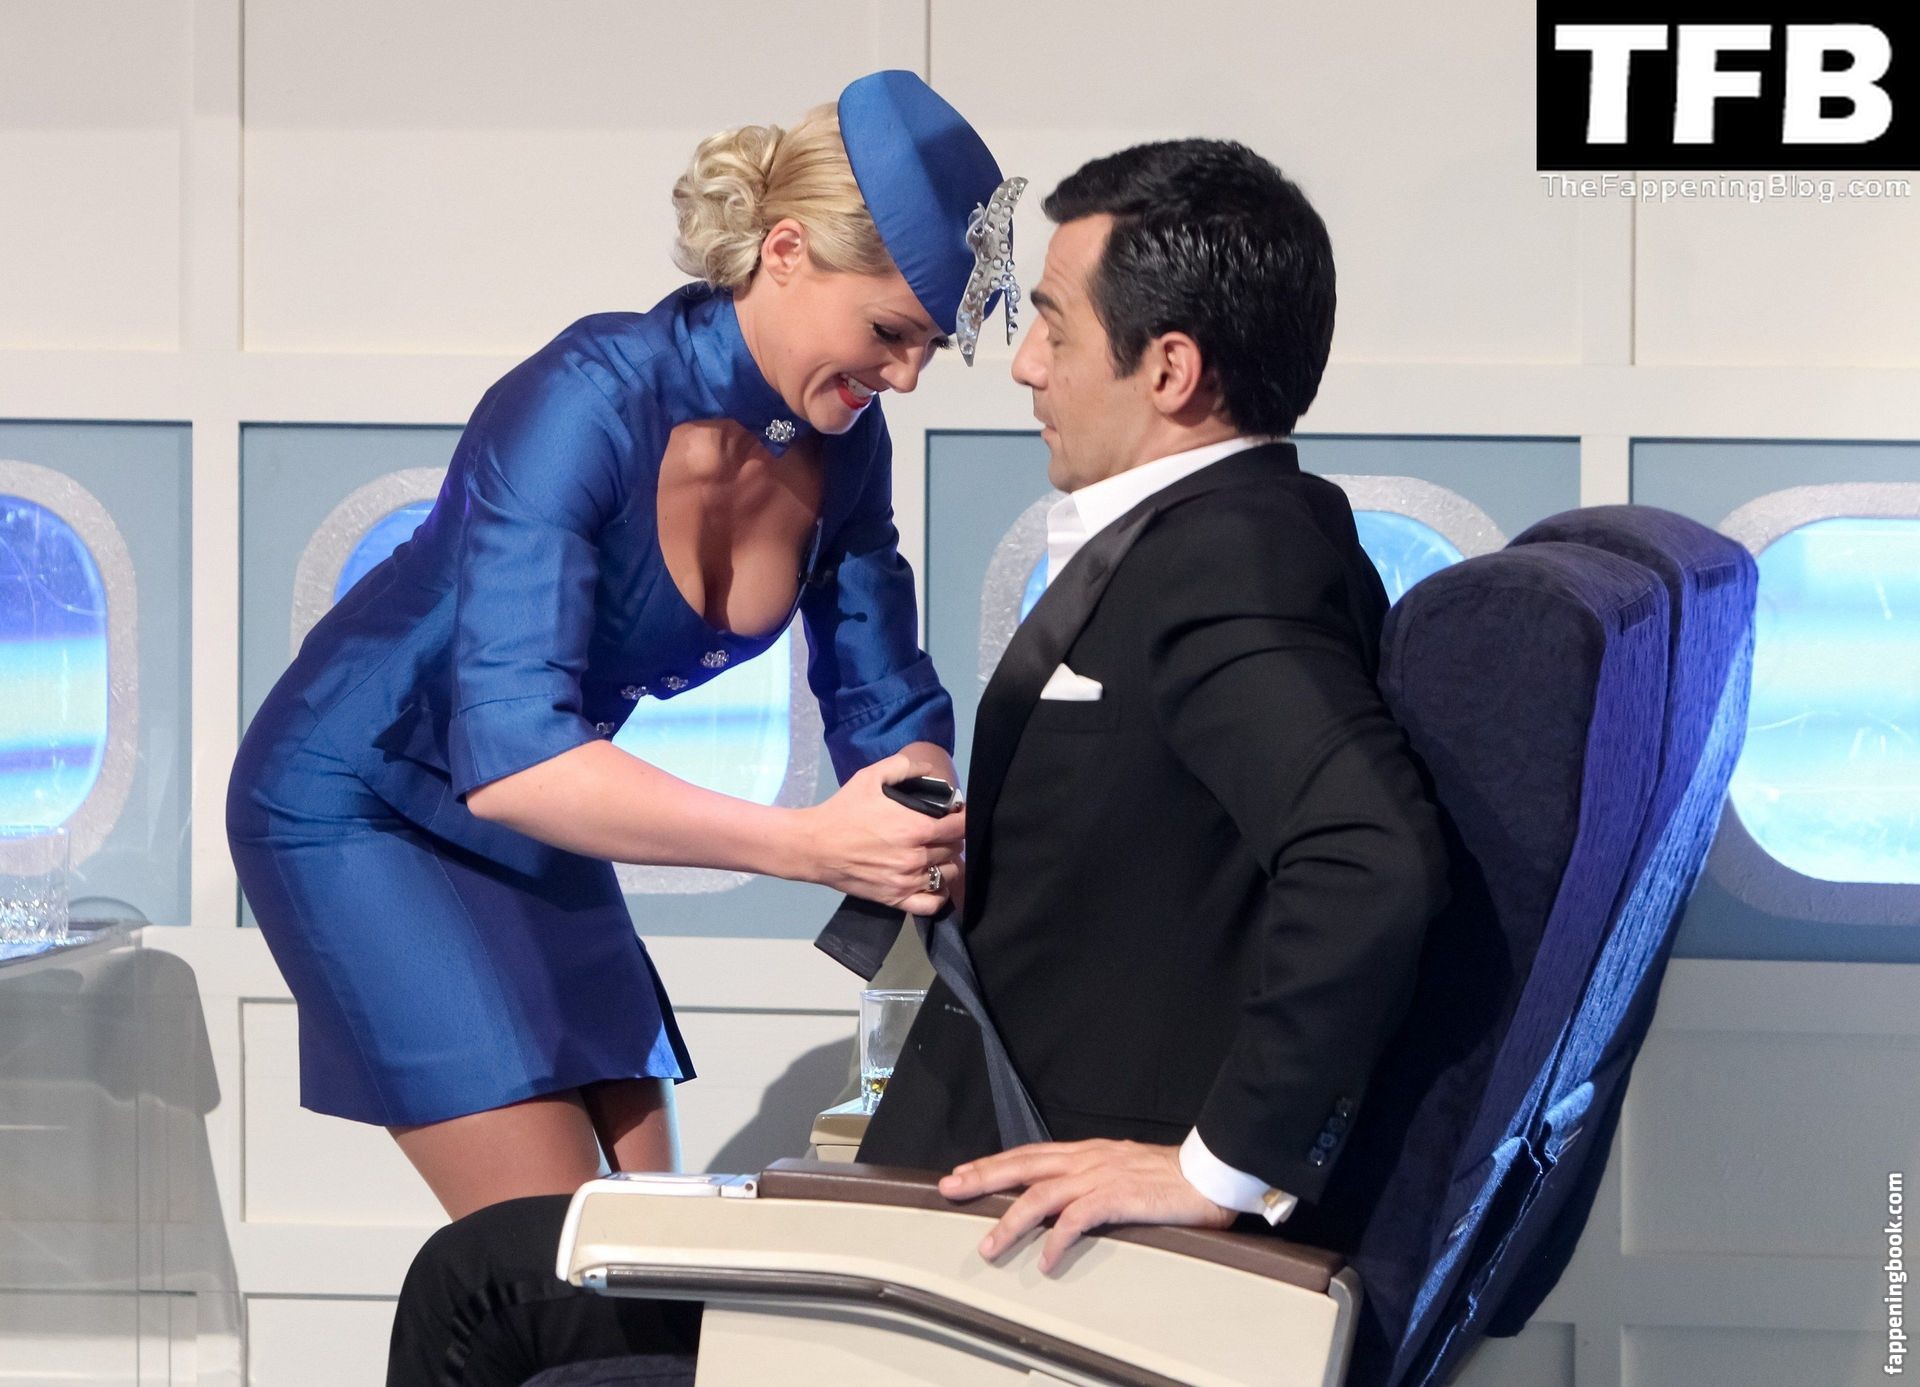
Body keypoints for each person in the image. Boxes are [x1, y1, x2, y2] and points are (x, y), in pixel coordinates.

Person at [383, 137, 1450, 1384]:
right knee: (506, 1269)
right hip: (947, 1205)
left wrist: (1220, 1167)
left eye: (1053, 326)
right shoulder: (1219, 540)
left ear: (1168, 370)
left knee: (476, 1290)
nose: (1024, 363)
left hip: (1004, 1262)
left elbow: (1371, 856)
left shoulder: (1230, 563)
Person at [225, 70, 1022, 1223]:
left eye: (929, 348)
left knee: (653, 1238)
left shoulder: (846, 441)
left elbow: (882, 697)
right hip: (362, 798)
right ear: (786, 252)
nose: (902, 376)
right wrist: (811, 844)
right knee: (566, 1250)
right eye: (889, 332)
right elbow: (511, 750)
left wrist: (926, 820)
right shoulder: (585, 400)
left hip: (539, 805)